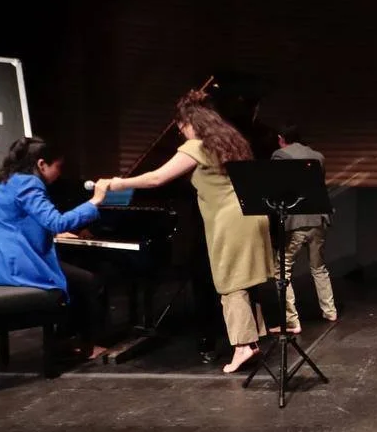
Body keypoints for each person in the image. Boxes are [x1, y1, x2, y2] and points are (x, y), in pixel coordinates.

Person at [99, 88, 277, 374]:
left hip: (229, 220)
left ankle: (244, 346)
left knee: (230, 283)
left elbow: (157, 178)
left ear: (186, 123)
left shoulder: (196, 146)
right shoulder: (229, 142)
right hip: (252, 214)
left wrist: (118, 183)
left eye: (180, 128)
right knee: (246, 281)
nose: (181, 134)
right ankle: (254, 339)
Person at [0, 136, 112, 359]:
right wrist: (95, 201)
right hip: (14, 265)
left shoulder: (6, 180)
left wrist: (53, 231)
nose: (60, 173)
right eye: (59, 166)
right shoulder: (29, 183)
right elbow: (56, 221)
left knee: (76, 278)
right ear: (41, 164)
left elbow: (15, 220)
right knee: (90, 282)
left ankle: (65, 338)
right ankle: (82, 344)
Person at [268, 123, 337, 334]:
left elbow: (277, 188)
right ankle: (330, 311)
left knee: (282, 269)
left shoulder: (280, 155)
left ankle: (291, 321)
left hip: (296, 221)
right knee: (319, 267)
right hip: (318, 219)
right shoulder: (318, 156)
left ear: (281, 138)